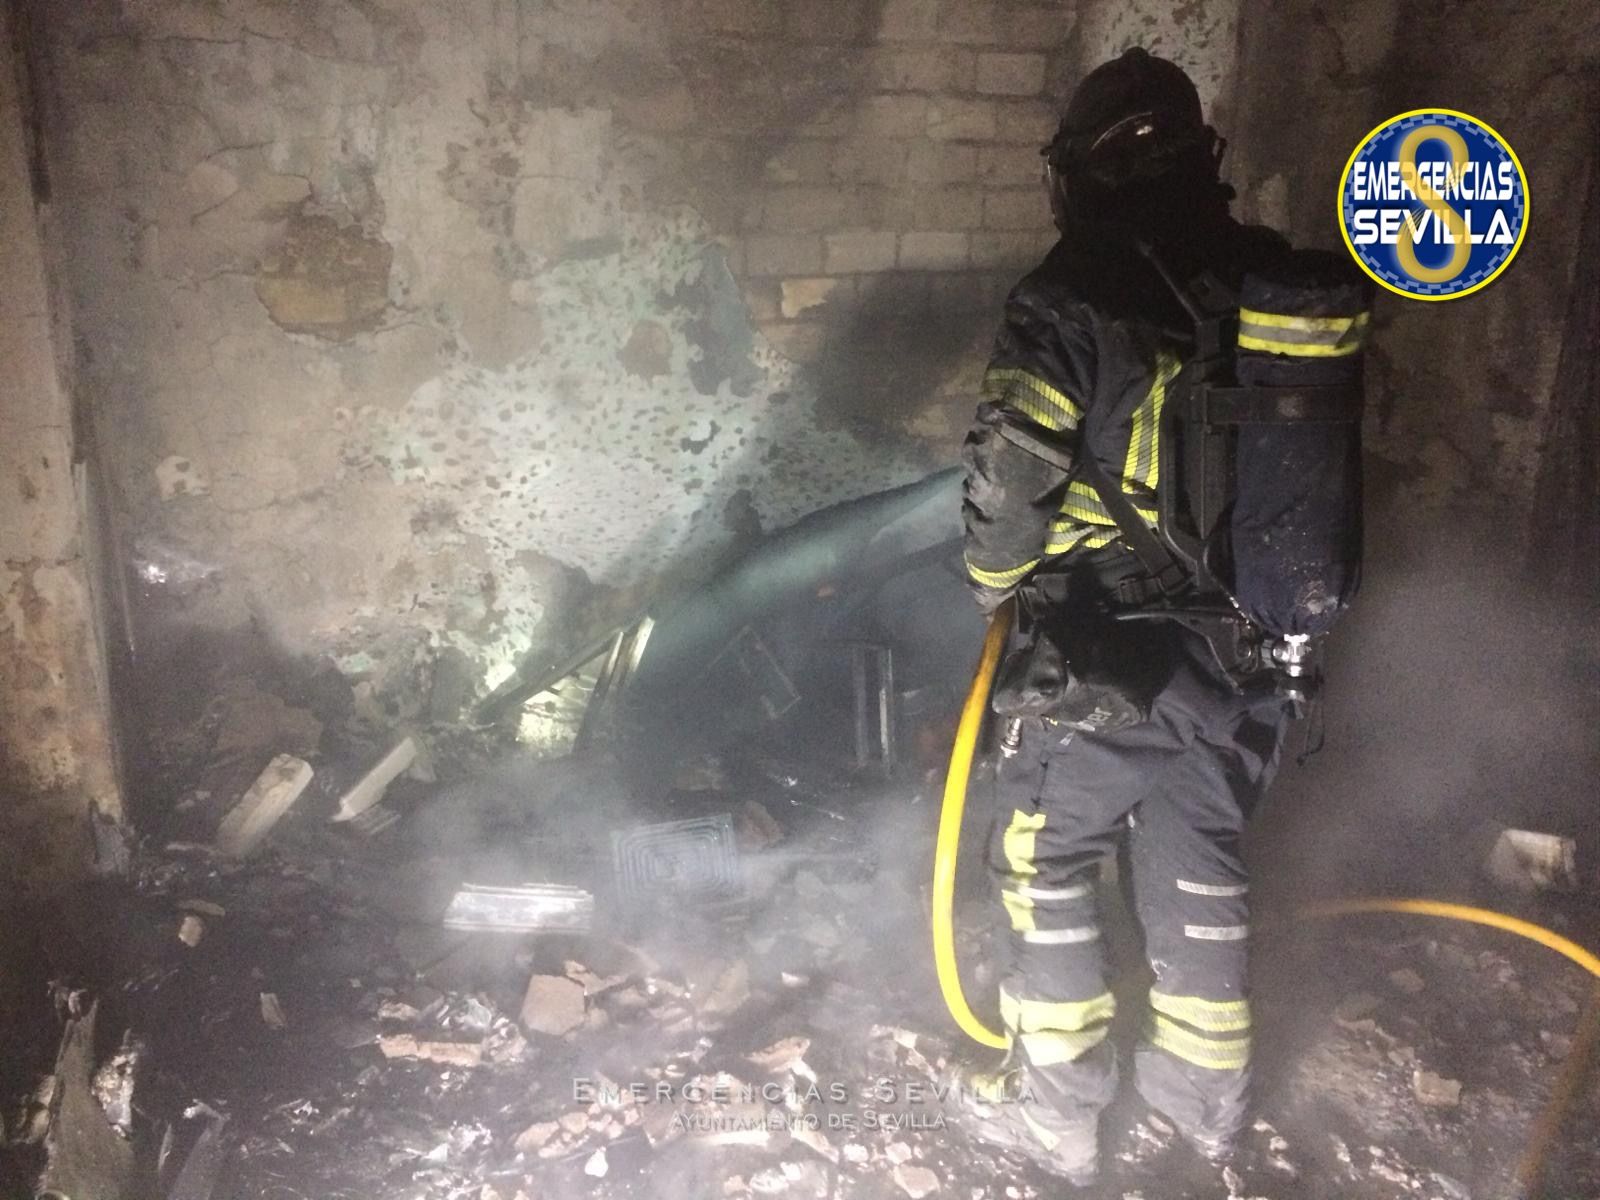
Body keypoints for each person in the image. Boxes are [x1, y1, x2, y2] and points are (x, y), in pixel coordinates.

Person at [954, 47, 1368, 1186]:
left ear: (1076, 170)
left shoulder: (1070, 294)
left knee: (1044, 864)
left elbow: (1012, 481)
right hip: (1253, 656)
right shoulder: (1268, 275)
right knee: (1202, 868)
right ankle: (1207, 1118)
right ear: (1200, 157)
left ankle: (1056, 1120)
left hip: (1108, 657)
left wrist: (990, 587)